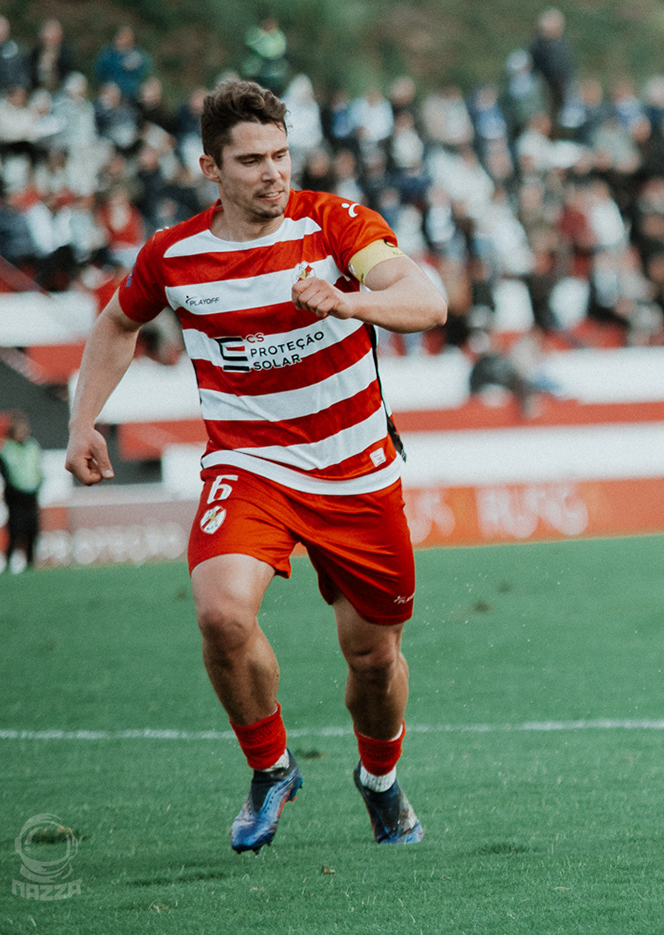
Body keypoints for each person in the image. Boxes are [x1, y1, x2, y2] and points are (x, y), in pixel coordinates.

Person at [64, 79, 447, 852]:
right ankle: (271, 767)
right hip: (251, 466)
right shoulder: (174, 255)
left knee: (373, 660)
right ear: (211, 168)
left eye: (280, 154)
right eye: (251, 160)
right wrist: (83, 420)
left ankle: (380, 781)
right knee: (220, 614)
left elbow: (427, 299)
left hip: (356, 472)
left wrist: (349, 301)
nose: (272, 172)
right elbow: (116, 324)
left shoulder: (334, 225)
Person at [0, 415, 43, 572]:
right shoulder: (5, 449)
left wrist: (38, 484)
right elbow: (5, 472)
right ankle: (8, 564)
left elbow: (37, 468)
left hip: (32, 495)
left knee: (32, 531)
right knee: (15, 531)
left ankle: (30, 564)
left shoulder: (32, 446)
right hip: (15, 496)